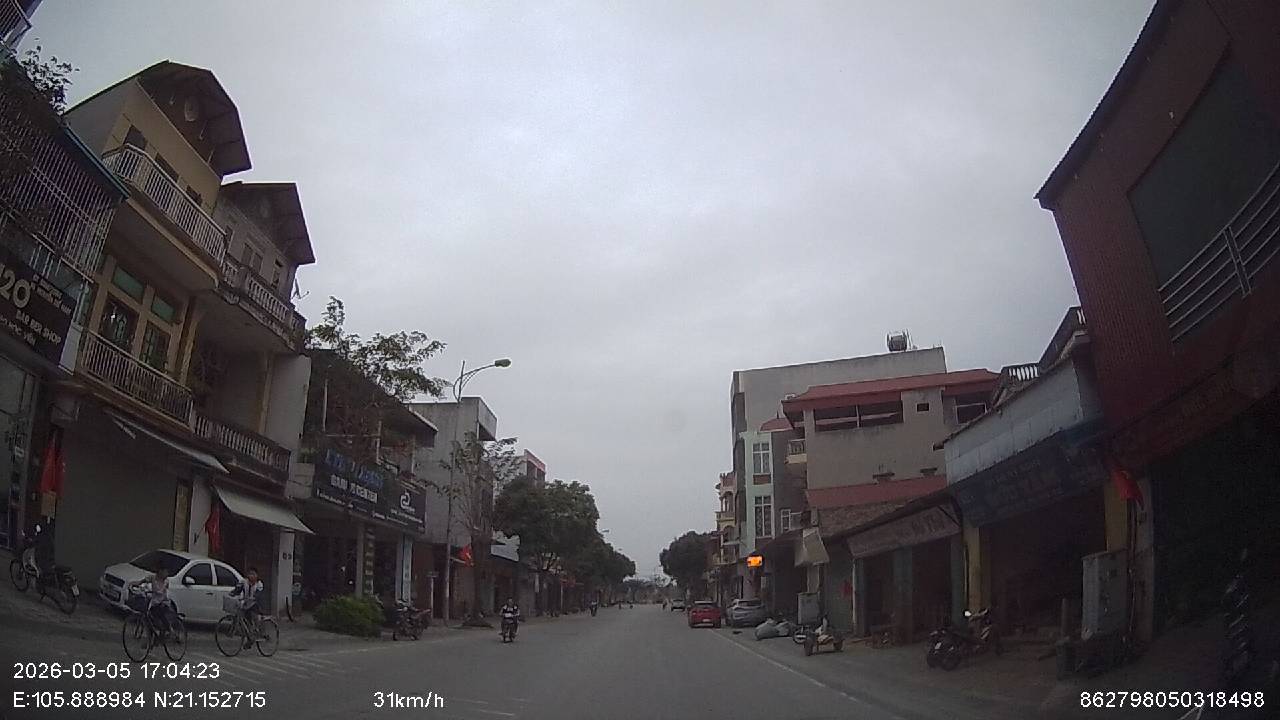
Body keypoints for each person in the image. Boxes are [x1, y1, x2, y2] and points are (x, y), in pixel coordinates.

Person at [129, 566, 175, 636]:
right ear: (160, 571)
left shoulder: (166, 581)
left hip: (163, 602)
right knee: (149, 617)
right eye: (165, 572)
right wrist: (135, 583)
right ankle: (152, 636)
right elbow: (142, 581)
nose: (167, 574)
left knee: (159, 614)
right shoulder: (153, 577)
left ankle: (169, 629)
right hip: (154, 602)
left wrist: (155, 593)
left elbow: (162, 592)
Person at [229, 566, 265, 649]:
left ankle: (257, 632)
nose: (251, 576)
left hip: (255, 604)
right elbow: (237, 589)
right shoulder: (243, 582)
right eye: (250, 574)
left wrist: (254, 597)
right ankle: (249, 638)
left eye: (253, 574)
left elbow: (258, 594)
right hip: (246, 604)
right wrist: (232, 593)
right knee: (245, 621)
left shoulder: (259, 584)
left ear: (257, 576)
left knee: (253, 616)